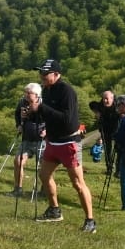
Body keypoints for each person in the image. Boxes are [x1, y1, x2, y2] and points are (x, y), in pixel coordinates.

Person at [33, 58, 97, 233]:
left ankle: (90, 220)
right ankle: (54, 210)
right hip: (52, 141)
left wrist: (41, 108)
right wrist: (33, 114)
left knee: (77, 183)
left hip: (69, 142)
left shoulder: (66, 91)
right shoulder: (46, 90)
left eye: (45, 73)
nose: (42, 76)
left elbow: (66, 119)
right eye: (41, 72)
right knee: (44, 175)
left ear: (56, 74)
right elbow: (47, 115)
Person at [11, 82, 45, 197]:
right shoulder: (22, 102)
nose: (26, 94)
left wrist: (47, 130)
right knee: (18, 161)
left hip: (42, 140)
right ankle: (18, 189)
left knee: (44, 166)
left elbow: (52, 119)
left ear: (36, 94)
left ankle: (45, 190)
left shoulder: (44, 103)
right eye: (25, 92)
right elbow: (17, 114)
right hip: (26, 138)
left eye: (28, 93)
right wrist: (18, 125)